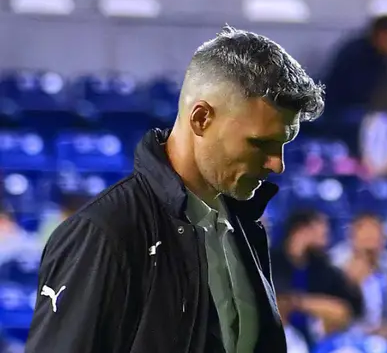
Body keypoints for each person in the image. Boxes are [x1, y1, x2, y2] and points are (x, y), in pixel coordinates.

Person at [25, 27, 325, 353]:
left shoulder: (243, 225)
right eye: (260, 143)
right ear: (201, 118)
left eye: (282, 145)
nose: (276, 164)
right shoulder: (104, 232)